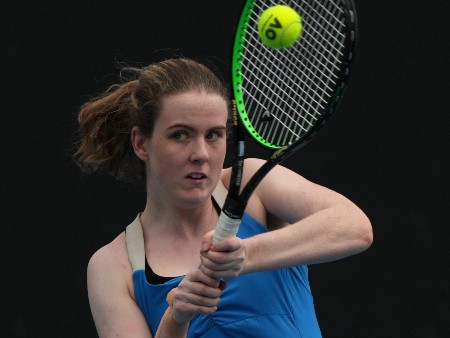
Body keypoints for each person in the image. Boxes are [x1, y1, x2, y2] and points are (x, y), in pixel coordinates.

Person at [74, 58, 373, 337]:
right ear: (141, 143)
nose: (201, 154)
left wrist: (248, 256)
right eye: (180, 135)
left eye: (214, 135)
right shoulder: (112, 266)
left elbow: (355, 228)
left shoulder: (253, 188)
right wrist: (175, 320)